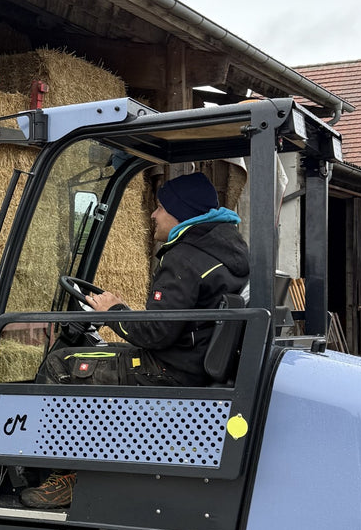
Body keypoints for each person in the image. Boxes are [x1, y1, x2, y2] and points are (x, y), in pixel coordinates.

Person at [20, 171, 250, 509]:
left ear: (180, 213)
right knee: (99, 355)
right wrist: (120, 310)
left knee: (62, 364)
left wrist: (114, 312)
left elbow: (156, 332)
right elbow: (174, 321)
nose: (153, 215)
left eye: (160, 207)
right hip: (190, 361)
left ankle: (65, 477)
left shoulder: (184, 258)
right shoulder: (224, 251)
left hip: (168, 369)